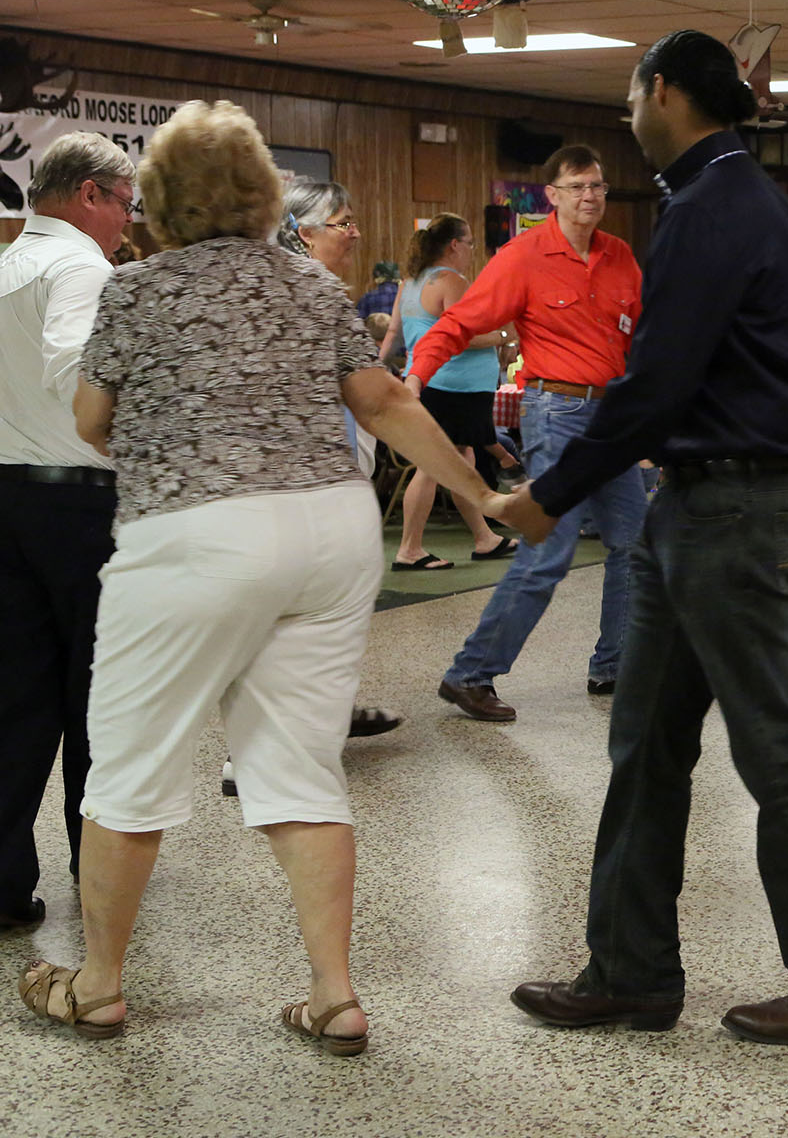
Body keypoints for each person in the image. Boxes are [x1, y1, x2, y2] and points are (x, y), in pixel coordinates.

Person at [17, 100, 512, 1052]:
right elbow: (386, 403)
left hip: (197, 536)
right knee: (299, 768)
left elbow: (89, 420)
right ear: (258, 192)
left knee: (127, 765)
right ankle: (333, 995)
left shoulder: (135, 292)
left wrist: (170, 438)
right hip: (328, 536)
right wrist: (478, 496)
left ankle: (99, 984)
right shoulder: (313, 288)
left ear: (156, 197)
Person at [504, 31, 788, 1045]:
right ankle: (631, 969)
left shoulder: (715, 207)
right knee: (644, 745)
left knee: (774, 748)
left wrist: (554, 490)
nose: (629, 109)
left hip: (737, 506)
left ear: (663, 92)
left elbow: (654, 385)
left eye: (632, 92)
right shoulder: (726, 197)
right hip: (704, 502)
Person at [408, 145, 646, 720]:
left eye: (598, 187)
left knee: (635, 544)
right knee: (550, 550)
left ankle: (616, 665)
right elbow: (459, 322)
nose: (590, 196)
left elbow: (645, 336)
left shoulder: (620, 257)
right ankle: (470, 674)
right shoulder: (524, 256)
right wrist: (415, 378)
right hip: (557, 413)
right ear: (553, 196)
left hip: (612, 418)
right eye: (578, 187)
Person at [0, 132, 133, 933]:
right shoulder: (80, 266)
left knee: (14, 701)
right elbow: (72, 367)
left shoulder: (7, 262)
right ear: (89, 194)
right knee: (99, 697)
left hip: (5, 499)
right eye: (124, 204)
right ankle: (101, 870)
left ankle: (5, 884)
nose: (126, 221)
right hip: (77, 505)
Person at [277, 181, 404, 747]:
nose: (354, 233)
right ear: (303, 233)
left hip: (331, 473)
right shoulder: (294, 293)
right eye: (342, 223)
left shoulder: (324, 292)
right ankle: (262, 747)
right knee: (298, 608)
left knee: (327, 605)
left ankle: (332, 705)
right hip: (301, 482)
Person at [389, 213, 521, 570]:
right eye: (470, 244)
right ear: (454, 245)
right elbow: (463, 337)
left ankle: (484, 537)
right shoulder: (451, 280)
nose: (471, 251)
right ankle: (409, 549)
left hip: (431, 380)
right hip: (453, 385)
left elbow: (394, 334)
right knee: (433, 464)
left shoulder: (410, 282)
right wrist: (505, 337)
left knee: (463, 460)